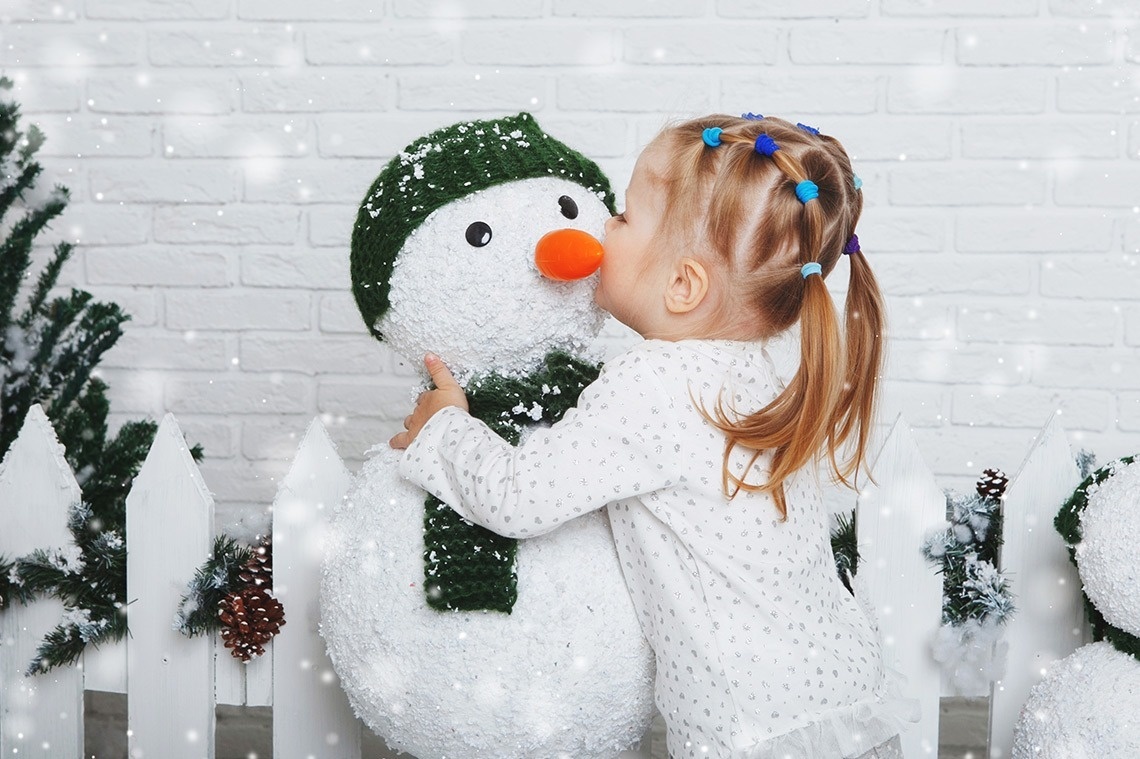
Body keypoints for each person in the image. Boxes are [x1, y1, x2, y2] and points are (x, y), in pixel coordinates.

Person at [390, 114, 917, 759]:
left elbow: (518, 498)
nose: (602, 228)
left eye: (623, 216)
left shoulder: (652, 385)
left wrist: (444, 425)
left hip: (751, 726)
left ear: (683, 284)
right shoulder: (748, 371)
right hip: (842, 695)